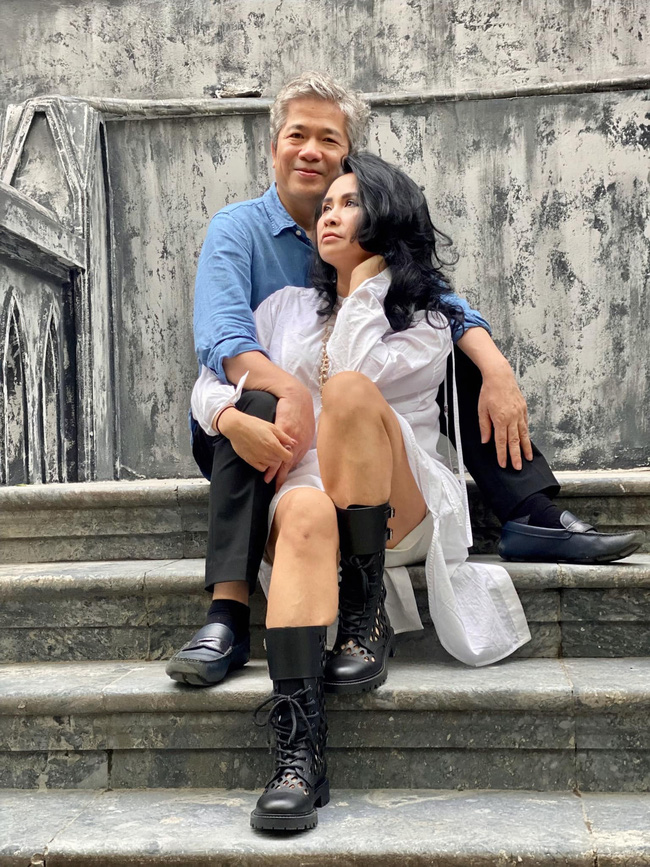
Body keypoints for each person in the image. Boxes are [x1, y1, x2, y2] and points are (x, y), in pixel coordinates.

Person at [165, 71, 642, 690]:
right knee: (256, 398)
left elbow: (438, 307)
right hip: (258, 422)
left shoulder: (384, 259)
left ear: (351, 160)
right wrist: (270, 398)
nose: (311, 151)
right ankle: (228, 614)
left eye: (329, 140)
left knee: (455, 348)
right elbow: (223, 344)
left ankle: (528, 510)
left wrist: (496, 368)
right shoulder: (242, 234)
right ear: (274, 146)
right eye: (297, 135)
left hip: (361, 425)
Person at [190, 153, 532, 831]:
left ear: (385, 217)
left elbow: (353, 369)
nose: (329, 216)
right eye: (326, 207)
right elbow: (211, 381)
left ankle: (364, 612)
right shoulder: (285, 308)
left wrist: (366, 281)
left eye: (350, 204)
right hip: (319, 500)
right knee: (303, 507)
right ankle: (299, 754)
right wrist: (229, 417)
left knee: (346, 392)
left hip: (402, 502)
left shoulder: (423, 319)